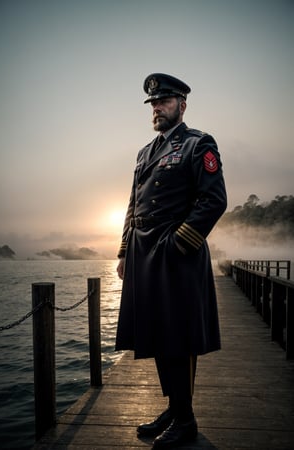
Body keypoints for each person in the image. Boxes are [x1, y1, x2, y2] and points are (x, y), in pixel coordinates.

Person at [115, 73, 227, 449]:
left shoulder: (198, 144)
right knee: (158, 334)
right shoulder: (144, 152)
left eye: (163, 101)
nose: (156, 108)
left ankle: (186, 419)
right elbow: (133, 204)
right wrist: (122, 251)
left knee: (178, 335)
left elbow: (214, 201)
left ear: (182, 104)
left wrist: (179, 244)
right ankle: (174, 408)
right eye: (153, 104)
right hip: (143, 251)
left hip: (174, 251)